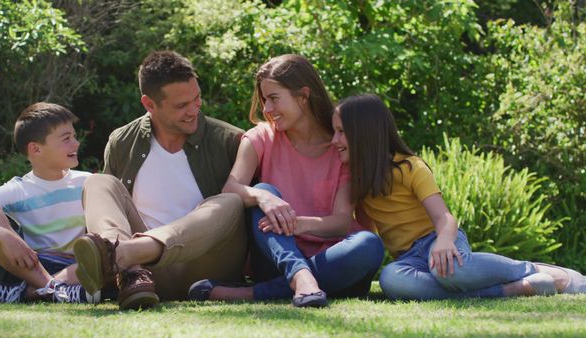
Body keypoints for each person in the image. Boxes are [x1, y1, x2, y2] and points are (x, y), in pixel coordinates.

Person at [331, 93, 586, 300]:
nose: (334, 140)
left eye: (341, 132)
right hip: (409, 261)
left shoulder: (411, 167)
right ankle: (511, 290)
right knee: (390, 279)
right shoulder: (357, 183)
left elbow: (444, 217)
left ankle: (539, 271)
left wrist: (443, 242)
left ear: (363, 133)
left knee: (451, 272)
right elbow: (367, 231)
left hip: (438, 241)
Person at [188, 55, 384, 308]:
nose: (267, 109)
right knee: (262, 190)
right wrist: (263, 197)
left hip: (332, 261)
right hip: (276, 259)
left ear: (303, 95)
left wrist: (297, 224)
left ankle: (252, 293)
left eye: (273, 98)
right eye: (264, 100)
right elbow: (231, 189)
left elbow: (341, 223)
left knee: (369, 244)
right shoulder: (260, 138)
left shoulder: (340, 146)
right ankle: (299, 275)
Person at [73, 50, 247, 310]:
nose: (194, 110)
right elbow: (108, 209)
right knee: (98, 183)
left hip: (208, 268)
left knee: (231, 201)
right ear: (149, 104)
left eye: (197, 99)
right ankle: (125, 265)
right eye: (181, 106)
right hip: (147, 276)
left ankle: (116, 255)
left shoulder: (229, 139)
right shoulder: (122, 142)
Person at [0, 102, 99, 305]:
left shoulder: (87, 181)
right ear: (36, 149)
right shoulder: (19, 189)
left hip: (75, 267)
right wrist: (6, 237)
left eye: (74, 136)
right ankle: (58, 291)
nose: (76, 143)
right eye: (66, 139)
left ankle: (26, 293)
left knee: (103, 252)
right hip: (30, 266)